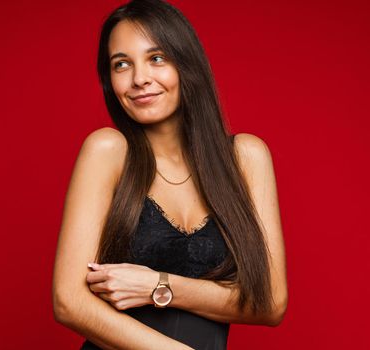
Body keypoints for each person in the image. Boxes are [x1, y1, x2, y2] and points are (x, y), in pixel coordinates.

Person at [52, 0, 288, 349]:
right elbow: (68, 301)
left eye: (156, 58)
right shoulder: (108, 151)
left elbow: (269, 303)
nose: (139, 79)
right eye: (121, 64)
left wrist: (158, 286)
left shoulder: (246, 158)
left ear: (186, 64)